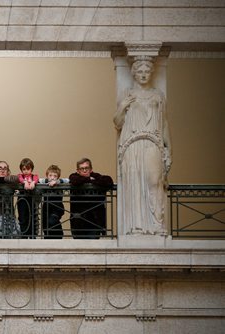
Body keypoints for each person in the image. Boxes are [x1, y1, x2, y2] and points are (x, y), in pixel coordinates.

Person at [114, 56, 171, 235]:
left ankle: (157, 225)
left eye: (147, 71)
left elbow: (164, 123)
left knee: (155, 182)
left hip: (153, 142)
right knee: (135, 185)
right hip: (132, 144)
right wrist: (122, 107)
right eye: (140, 71)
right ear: (134, 73)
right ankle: (136, 227)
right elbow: (117, 122)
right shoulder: (127, 95)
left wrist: (169, 149)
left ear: (152, 73)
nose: (144, 74)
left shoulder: (158, 95)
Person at [69, 158, 113, 239]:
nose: (85, 170)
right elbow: (75, 181)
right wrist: (89, 179)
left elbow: (108, 181)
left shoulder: (96, 176)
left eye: (87, 168)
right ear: (78, 170)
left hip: (94, 221)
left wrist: (92, 180)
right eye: (82, 168)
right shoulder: (74, 176)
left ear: (91, 169)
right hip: (78, 221)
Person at [39, 165, 67, 239]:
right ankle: (47, 238)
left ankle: (59, 234)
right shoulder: (45, 182)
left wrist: (57, 181)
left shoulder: (59, 182)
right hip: (46, 208)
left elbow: (68, 180)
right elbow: (38, 180)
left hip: (57, 208)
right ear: (47, 176)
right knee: (45, 224)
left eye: (55, 176)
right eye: (50, 175)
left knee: (52, 221)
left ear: (58, 177)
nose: (52, 177)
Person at [17, 158, 39, 238]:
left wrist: (33, 182)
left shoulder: (34, 176)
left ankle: (32, 236)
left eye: (28, 169)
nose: (26, 171)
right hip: (22, 199)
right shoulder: (20, 176)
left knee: (32, 216)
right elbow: (20, 179)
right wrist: (25, 182)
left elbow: (36, 179)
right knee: (23, 217)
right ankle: (24, 236)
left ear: (31, 169)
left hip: (31, 198)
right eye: (24, 169)